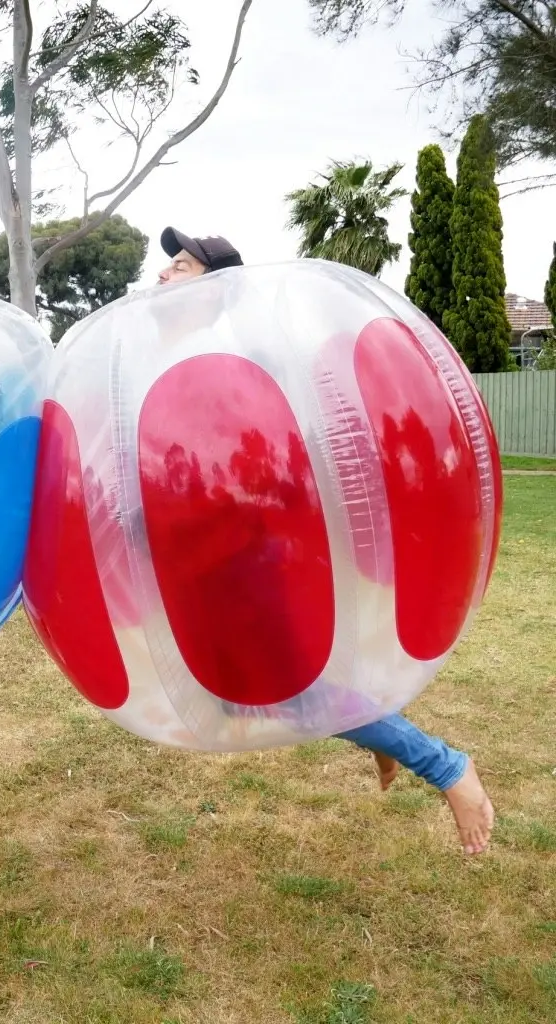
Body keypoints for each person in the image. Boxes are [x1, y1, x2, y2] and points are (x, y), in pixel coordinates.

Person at [154, 225, 495, 856]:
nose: (163, 275)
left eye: (180, 266)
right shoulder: (163, 361)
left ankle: (448, 769)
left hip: (244, 560)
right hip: (201, 563)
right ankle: (376, 734)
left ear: (217, 287)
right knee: (233, 699)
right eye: (167, 265)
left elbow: (257, 465)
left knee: (285, 692)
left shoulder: (231, 360)